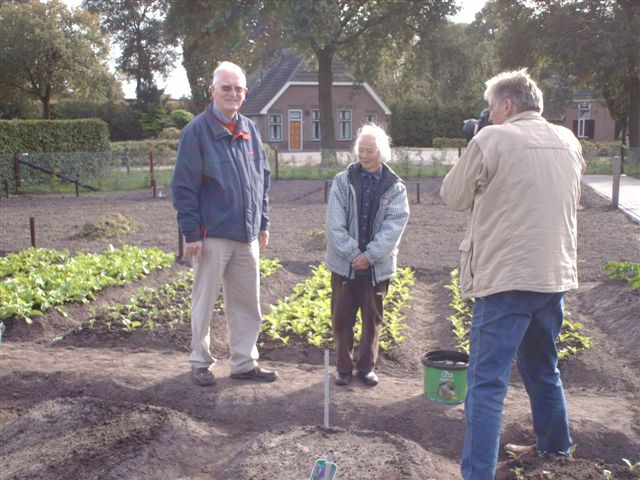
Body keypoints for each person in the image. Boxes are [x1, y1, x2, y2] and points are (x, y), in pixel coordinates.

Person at [440, 69, 584, 479]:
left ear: (506, 105)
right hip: (552, 277)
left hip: (506, 281)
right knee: (543, 368)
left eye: (491, 109)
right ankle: (556, 450)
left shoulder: (492, 138)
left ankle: (477, 475)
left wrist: (475, 141)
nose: (488, 116)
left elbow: (453, 196)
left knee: (486, 385)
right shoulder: (568, 140)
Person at [172, 61, 277, 386]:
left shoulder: (249, 129)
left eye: (238, 89)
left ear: (245, 93)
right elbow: (184, 186)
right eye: (226, 87)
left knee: (247, 303)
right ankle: (200, 362)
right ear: (213, 90)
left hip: (247, 235)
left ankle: (244, 362)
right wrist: (191, 232)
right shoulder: (197, 131)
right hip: (211, 234)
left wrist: (262, 221)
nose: (232, 93)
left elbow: (262, 178)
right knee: (204, 302)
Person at [325, 124, 410, 387]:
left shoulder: (395, 187)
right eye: (361, 150)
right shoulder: (342, 181)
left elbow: (395, 225)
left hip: (376, 267)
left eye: (370, 150)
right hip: (345, 264)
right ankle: (342, 368)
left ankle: (365, 367)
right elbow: (334, 224)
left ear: (381, 152)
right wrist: (353, 253)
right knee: (341, 318)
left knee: (372, 320)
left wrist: (370, 255)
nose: (364, 155)